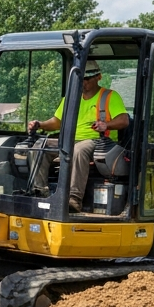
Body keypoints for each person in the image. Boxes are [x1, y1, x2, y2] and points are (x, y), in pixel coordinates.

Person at [27, 59, 130, 212]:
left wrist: (106, 125)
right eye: (81, 78)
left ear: (98, 77)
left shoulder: (109, 96)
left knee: (79, 149)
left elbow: (124, 120)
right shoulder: (71, 98)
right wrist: (40, 124)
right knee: (39, 146)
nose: (84, 82)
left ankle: (74, 199)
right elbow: (57, 122)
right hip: (70, 141)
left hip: (99, 141)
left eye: (87, 78)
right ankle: (40, 192)